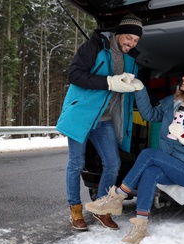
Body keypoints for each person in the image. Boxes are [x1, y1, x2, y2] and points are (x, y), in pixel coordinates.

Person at [85, 62, 184, 244]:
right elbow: (150, 114)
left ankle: (117, 198)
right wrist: (140, 89)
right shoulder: (175, 102)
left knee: (149, 155)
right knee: (150, 172)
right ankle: (140, 225)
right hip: (172, 163)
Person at [56, 14, 144, 231]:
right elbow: (75, 75)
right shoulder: (95, 46)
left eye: (135, 41)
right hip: (82, 116)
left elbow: (124, 90)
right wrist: (108, 82)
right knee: (76, 163)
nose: (131, 44)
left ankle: (100, 208)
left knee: (113, 164)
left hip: (104, 119)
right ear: (120, 32)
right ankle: (75, 210)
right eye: (129, 38)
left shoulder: (130, 59)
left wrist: (134, 86)